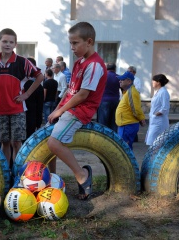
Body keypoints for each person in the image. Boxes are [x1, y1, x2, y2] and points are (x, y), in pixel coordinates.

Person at [47, 22, 107, 200]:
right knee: (47, 143)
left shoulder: (94, 65)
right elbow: (71, 90)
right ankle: (53, 179)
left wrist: (60, 112)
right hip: (68, 107)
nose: (72, 47)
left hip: (80, 111)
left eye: (75, 43)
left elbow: (82, 95)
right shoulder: (79, 62)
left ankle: (82, 175)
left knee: (54, 144)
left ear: (89, 42)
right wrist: (57, 109)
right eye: (70, 43)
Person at [0, 28, 44, 165]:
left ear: (15, 44)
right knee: (4, 142)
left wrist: (26, 94)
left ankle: (18, 171)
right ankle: (6, 172)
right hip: (1, 109)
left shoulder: (22, 62)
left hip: (17, 109)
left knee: (17, 142)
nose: (7, 44)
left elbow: (40, 76)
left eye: (11, 42)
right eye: (4, 41)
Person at [115, 71, 146, 150]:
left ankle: (126, 162)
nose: (120, 81)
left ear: (129, 81)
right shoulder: (128, 91)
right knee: (125, 148)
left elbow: (135, 109)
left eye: (122, 79)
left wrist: (141, 119)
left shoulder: (131, 92)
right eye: (120, 79)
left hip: (127, 125)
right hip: (126, 124)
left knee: (124, 149)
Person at [145, 74, 170, 145]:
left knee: (156, 142)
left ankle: (155, 155)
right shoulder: (159, 92)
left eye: (153, 81)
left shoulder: (163, 92)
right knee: (153, 142)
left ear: (158, 82)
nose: (152, 83)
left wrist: (156, 114)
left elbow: (165, 107)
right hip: (154, 120)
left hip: (159, 121)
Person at [24, 57, 44, 141]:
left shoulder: (18, 83)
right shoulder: (38, 86)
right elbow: (40, 105)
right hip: (31, 117)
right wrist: (38, 122)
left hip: (20, 116)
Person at [96, 63, 120, 132]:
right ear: (115, 69)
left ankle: (103, 138)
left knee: (103, 122)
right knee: (113, 122)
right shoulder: (118, 77)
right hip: (115, 101)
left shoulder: (102, 77)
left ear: (106, 68)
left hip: (104, 100)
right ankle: (113, 139)